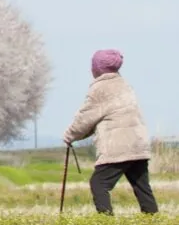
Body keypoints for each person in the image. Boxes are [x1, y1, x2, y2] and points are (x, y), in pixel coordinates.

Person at [63, 49, 158, 215]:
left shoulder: (100, 89)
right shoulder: (125, 85)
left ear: (98, 69)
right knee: (142, 187)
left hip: (118, 146)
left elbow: (86, 118)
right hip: (138, 144)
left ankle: (106, 224)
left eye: (92, 66)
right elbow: (97, 119)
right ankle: (153, 223)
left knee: (99, 183)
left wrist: (69, 136)